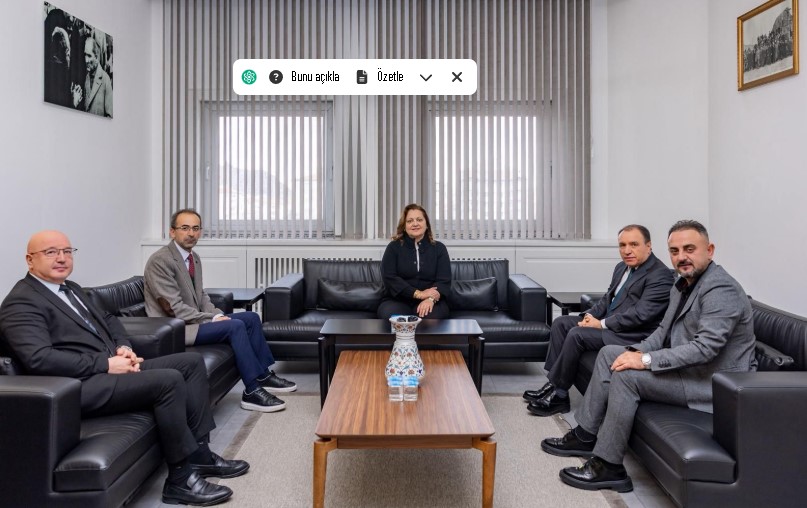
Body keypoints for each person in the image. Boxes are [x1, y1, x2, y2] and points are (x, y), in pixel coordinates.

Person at [0, 230, 245, 506]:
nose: (62, 258)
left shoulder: (71, 289)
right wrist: (106, 364)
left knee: (190, 362)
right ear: (30, 260)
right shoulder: (21, 301)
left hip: (107, 369)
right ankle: (180, 480)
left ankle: (200, 454)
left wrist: (123, 347)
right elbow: (40, 359)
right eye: (51, 252)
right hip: (76, 387)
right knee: (168, 380)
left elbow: (109, 319)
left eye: (67, 251)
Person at [540, 220, 756, 493]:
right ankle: (584, 435)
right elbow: (662, 332)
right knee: (609, 354)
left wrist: (644, 361)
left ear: (710, 250)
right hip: (685, 370)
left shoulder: (721, 289)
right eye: (675, 251)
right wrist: (634, 352)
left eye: (689, 249)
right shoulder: (682, 284)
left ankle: (609, 466)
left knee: (627, 377)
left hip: (709, 384)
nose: (681, 257)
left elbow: (705, 349)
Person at [144, 208, 297, 413]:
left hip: (193, 322)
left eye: (195, 228)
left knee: (251, 318)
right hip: (176, 328)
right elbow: (174, 309)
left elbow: (201, 297)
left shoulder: (193, 258)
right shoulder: (160, 261)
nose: (191, 233)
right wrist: (213, 319)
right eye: (185, 228)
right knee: (234, 326)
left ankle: (262, 375)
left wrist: (217, 314)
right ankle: (252, 391)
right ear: (172, 231)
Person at [523, 224, 673, 416]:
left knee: (577, 334)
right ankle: (554, 385)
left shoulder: (660, 275)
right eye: (622, 245)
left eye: (634, 244)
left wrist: (601, 324)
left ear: (648, 246)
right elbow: (607, 299)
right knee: (561, 323)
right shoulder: (622, 267)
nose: (627, 250)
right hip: (613, 326)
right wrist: (589, 316)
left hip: (632, 335)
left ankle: (559, 395)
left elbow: (640, 315)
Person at [378, 203, 451, 319]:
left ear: (426, 224)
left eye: (419, 220)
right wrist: (418, 294)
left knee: (431, 318)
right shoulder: (393, 247)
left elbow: (444, 280)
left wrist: (430, 298)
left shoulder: (439, 248)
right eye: (410, 221)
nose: (415, 224)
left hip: (431, 300)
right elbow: (389, 277)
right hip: (398, 300)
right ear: (404, 226)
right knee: (394, 318)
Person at [83, 36, 112, 117]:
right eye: (85, 55)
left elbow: (110, 115)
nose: (86, 60)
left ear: (96, 57)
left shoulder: (105, 79)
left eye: (89, 56)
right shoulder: (87, 78)